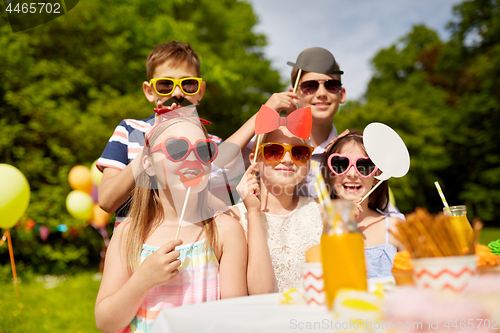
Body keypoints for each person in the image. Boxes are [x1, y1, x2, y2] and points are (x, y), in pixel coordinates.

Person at [95, 118, 247, 333]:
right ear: (148, 164)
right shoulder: (128, 234)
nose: (193, 158)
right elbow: (105, 323)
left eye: (203, 151)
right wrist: (142, 281)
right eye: (177, 148)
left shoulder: (225, 230)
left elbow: (236, 318)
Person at [96, 41, 222, 229]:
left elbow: (226, 210)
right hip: (134, 252)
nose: (178, 93)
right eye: (165, 85)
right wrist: (152, 142)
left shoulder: (212, 144)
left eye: (188, 84)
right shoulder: (129, 131)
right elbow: (107, 200)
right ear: (149, 91)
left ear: (200, 91)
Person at [225, 47, 346, 198]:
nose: (321, 93)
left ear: (342, 94)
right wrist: (264, 113)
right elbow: (215, 170)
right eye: (310, 86)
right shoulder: (269, 142)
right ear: (294, 94)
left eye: (331, 86)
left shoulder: (347, 154)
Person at [228, 114, 323, 294]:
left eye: (299, 153)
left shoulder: (322, 212)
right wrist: (253, 213)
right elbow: (259, 295)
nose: (287, 160)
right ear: (255, 159)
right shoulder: (233, 219)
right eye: (274, 151)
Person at [321, 130, 404, 279]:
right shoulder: (318, 225)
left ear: (376, 177)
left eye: (364, 165)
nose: (352, 174)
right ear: (330, 173)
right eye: (340, 164)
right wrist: (343, 223)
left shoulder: (395, 228)